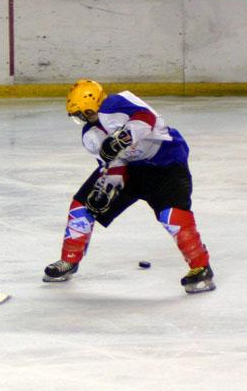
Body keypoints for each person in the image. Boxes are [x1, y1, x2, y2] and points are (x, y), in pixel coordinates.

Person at [43, 79, 215, 294]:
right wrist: (107, 190)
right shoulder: (90, 135)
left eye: (82, 114)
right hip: (131, 170)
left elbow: (147, 117)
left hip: (165, 163)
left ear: (91, 104)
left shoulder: (115, 104)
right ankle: (69, 260)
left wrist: (122, 137)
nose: (82, 120)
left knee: (172, 215)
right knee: (83, 206)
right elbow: (113, 165)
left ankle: (201, 267)